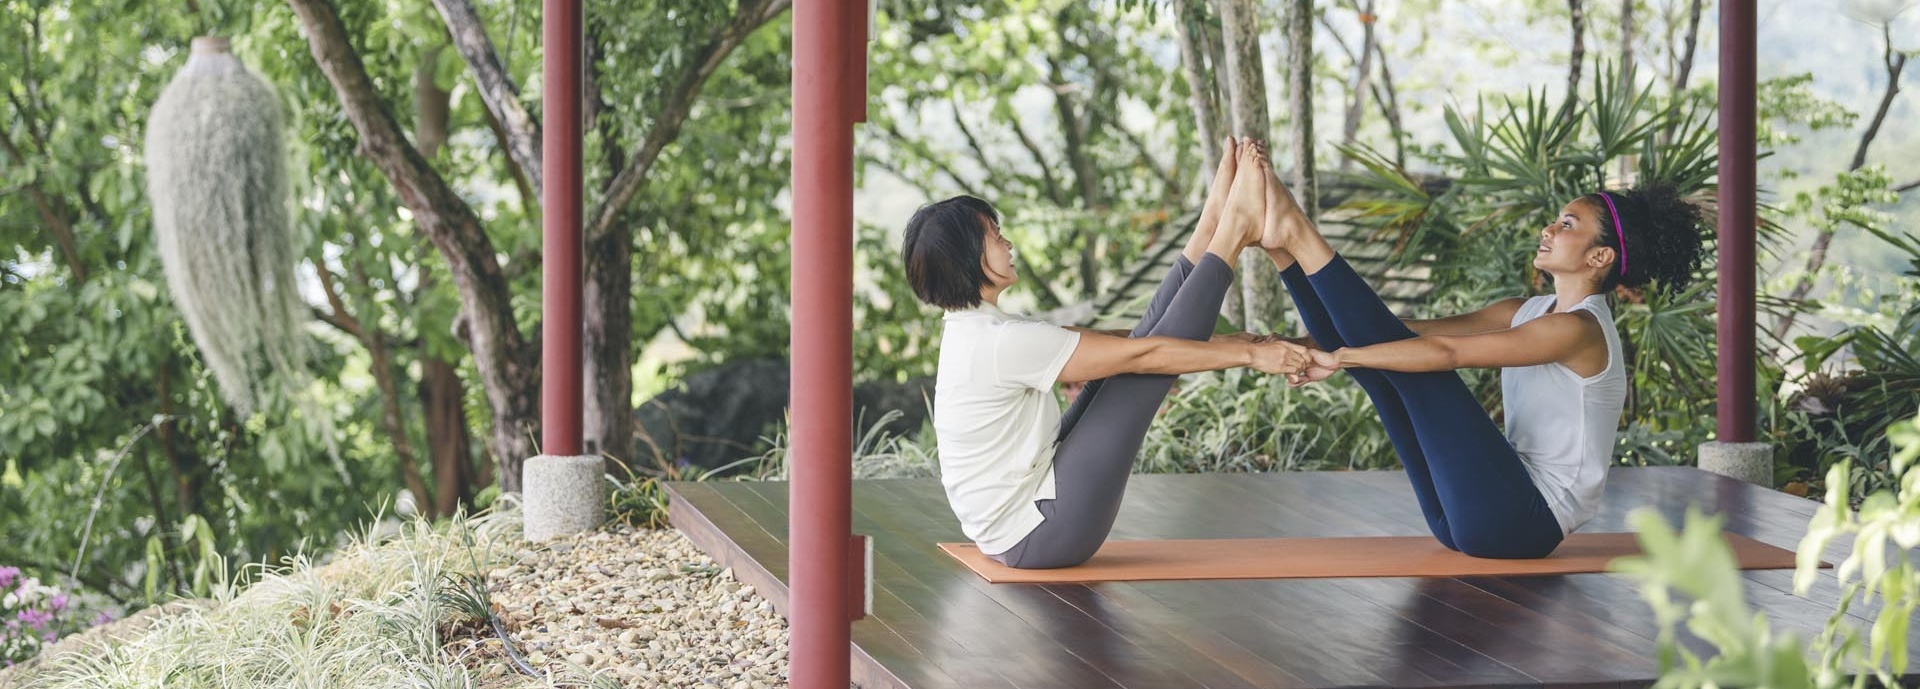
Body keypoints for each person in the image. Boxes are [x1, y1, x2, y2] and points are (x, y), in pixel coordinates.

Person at [1263, 162, 1707, 558]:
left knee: (1419, 369)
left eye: (1567, 225)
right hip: (1461, 517)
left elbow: (1446, 354)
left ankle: (1296, 232)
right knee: (1387, 361)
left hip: (1521, 522)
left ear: (1599, 256)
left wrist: (1340, 357)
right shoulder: (1525, 311)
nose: (1548, 230)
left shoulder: (1580, 330)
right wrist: (1304, 345)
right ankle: (1281, 247)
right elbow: (1408, 331)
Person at [902, 139, 1309, 569]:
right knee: (1137, 368)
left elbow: (1122, 344)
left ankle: (1214, 223)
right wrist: (1251, 358)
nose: (1008, 245)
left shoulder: (980, 330)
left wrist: (1228, 344)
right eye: (996, 237)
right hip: (1042, 533)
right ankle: (1234, 228)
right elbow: (1143, 356)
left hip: (1021, 525)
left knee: (1122, 360)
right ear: (968, 260)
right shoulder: (1002, 342)